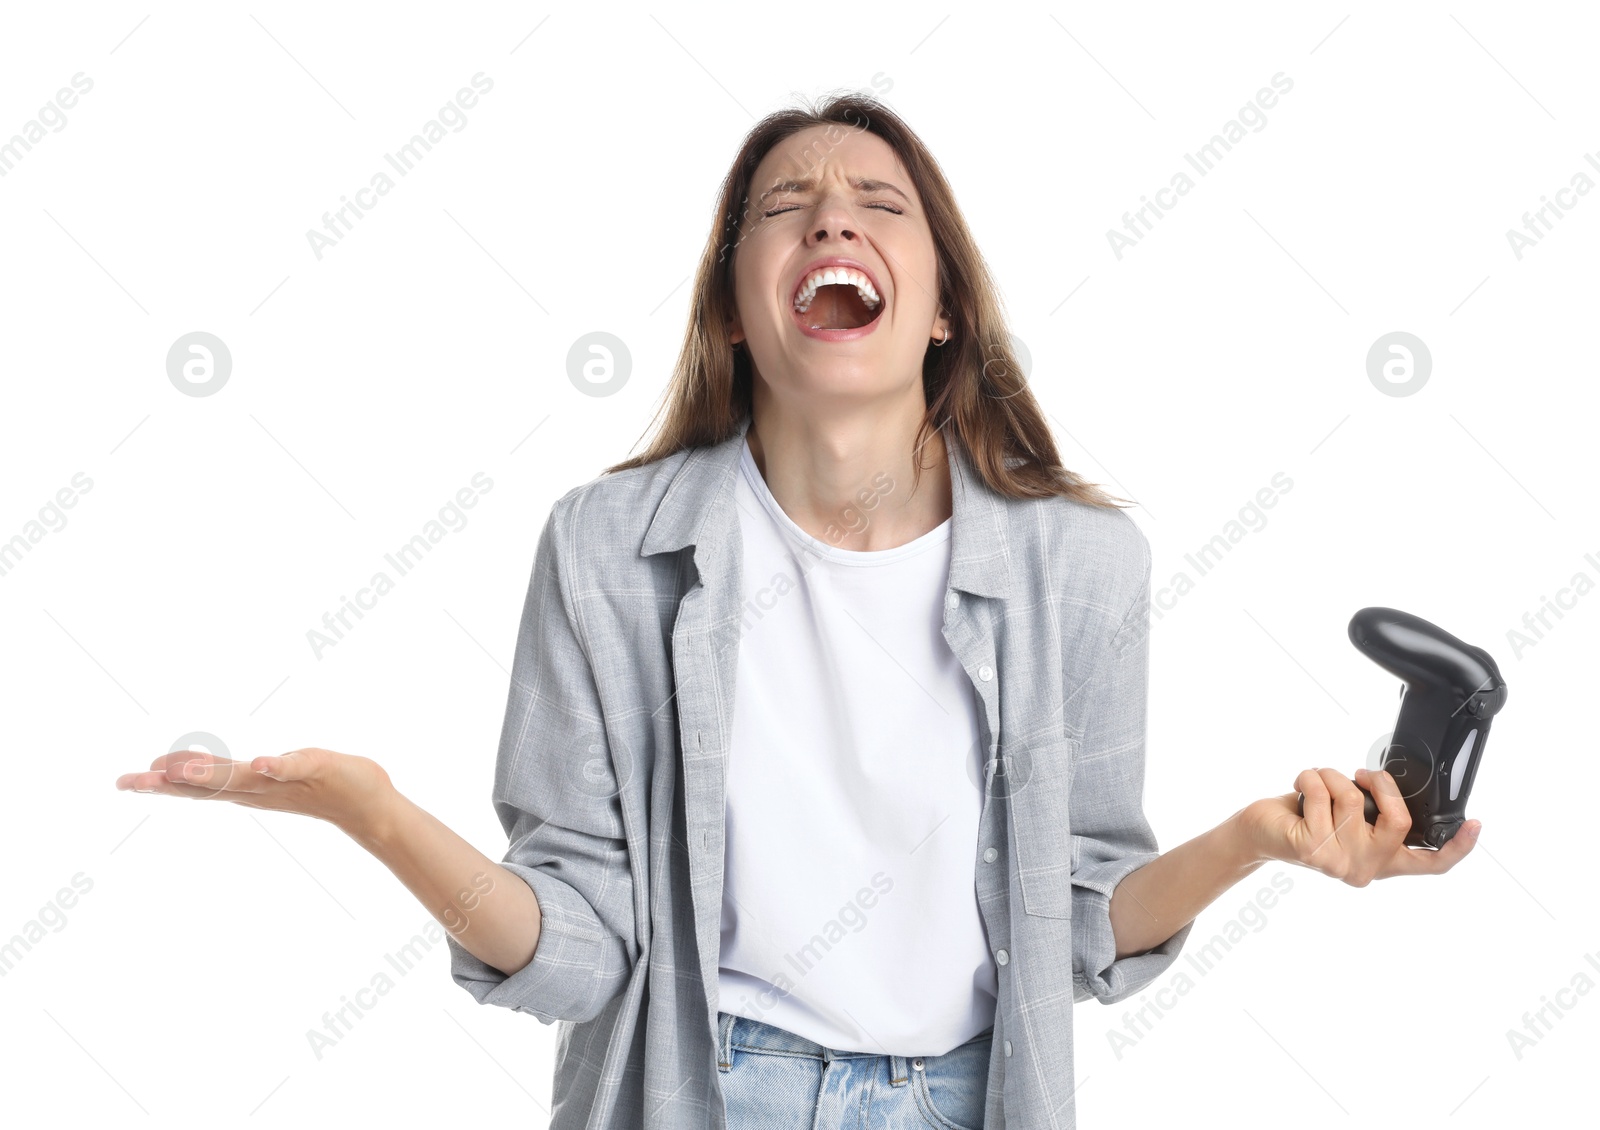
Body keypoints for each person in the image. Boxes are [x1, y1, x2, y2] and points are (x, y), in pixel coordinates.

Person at [115, 91, 1479, 1129]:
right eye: (789, 205)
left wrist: (1255, 840)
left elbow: (1076, 921)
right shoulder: (607, 550)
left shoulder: (1083, 568)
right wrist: (377, 816)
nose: (835, 218)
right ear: (734, 310)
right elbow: (582, 951)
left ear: (941, 303)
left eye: (882, 202)